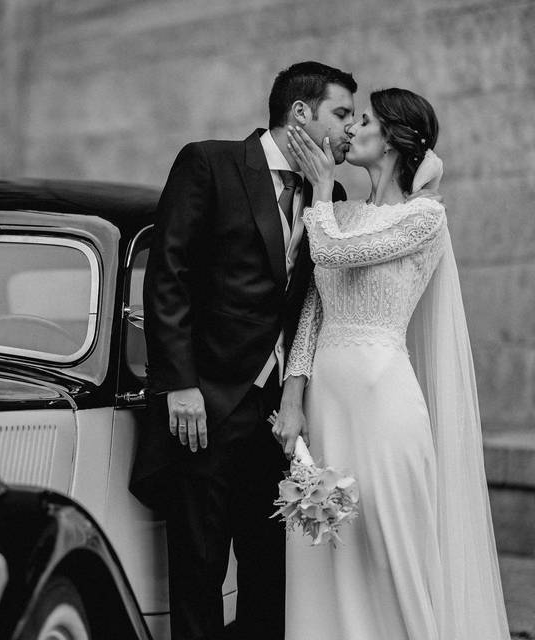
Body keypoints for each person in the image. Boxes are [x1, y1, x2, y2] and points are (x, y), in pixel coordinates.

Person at [130, 61, 356, 640]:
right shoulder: (210, 162)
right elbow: (168, 277)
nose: (352, 128)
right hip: (201, 405)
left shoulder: (333, 194)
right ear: (300, 113)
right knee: (200, 569)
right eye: (342, 113)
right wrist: (179, 384)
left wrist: (296, 394)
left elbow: (312, 301)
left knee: (268, 569)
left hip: (276, 413)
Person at [275, 88, 511, 639]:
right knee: (324, 552)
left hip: (383, 403)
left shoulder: (425, 217)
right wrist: (293, 395)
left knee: (388, 552)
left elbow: (334, 252)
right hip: (325, 405)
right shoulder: (340, 213)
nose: (352, 129)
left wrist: (320, 189)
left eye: (365, 120)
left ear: (395, 141)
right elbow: (312, 313)